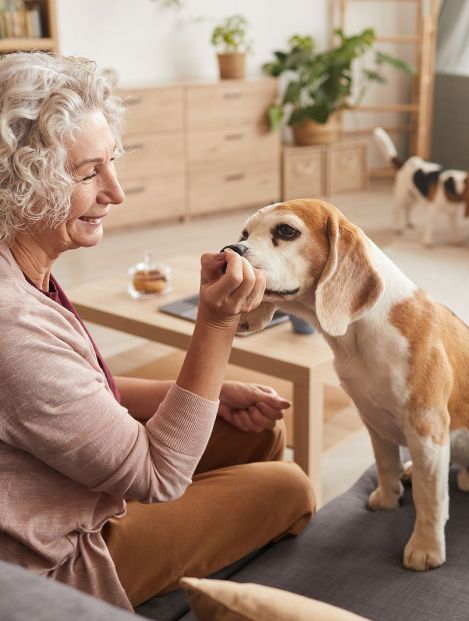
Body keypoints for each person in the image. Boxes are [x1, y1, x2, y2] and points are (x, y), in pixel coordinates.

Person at [0, 52, 315, 611]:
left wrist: (203, 398)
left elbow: (63, 395)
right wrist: (217, 324)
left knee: (256, 434)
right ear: (19, 181)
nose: (116, 192)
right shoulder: (13, 325)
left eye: (112, 161)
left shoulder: (16, 270)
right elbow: (157, 475)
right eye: (87, 172)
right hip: (53, 553)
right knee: (291, 487)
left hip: (66, 486)